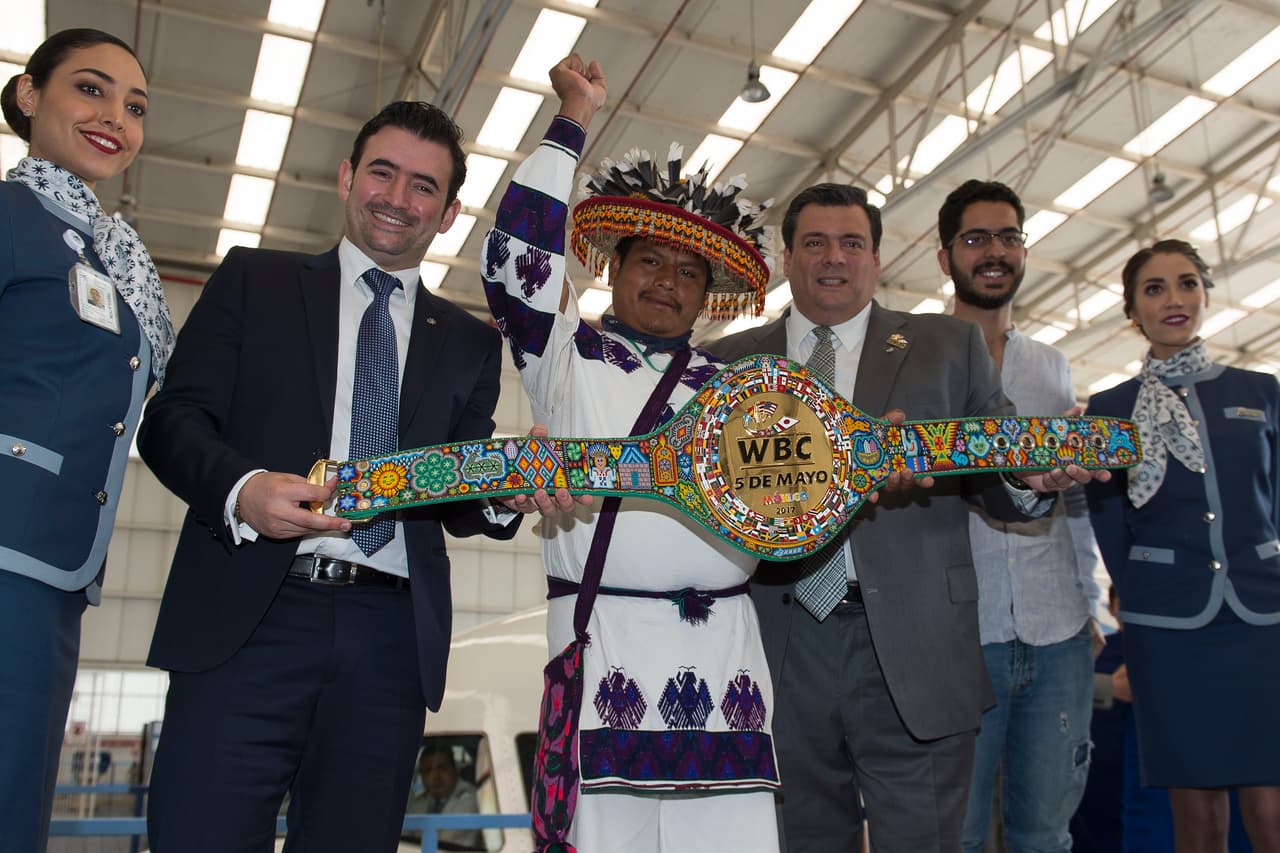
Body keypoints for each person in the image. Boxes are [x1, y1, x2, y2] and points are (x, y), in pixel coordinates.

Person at [137, 99, 519, 853]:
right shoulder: (255, 281)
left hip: (390, 641)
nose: (396, 197)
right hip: (251, 615)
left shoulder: (470, 343)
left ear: (448, 214)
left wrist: (505, 491)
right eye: (382, 172)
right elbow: (172, 420)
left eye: (423, 186)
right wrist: (243, 489)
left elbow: (457, 489)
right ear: (347, 177)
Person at [714, 182, 1105, 853]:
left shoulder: (948, 346)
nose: (834, 258)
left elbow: (996, 464)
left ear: (877, 259)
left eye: (852, 243)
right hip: (778, 645)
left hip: (917, 646)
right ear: (787, 257)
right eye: (815, 243)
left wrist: (1028, 475)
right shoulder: (727, 363)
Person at [482, 54, 781, 852]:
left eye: (689, 271)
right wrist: (572, 118)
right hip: (602, 649)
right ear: (612, 266)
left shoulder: (741, 392)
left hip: (727, 668)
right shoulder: (565, 356)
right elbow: (514, 262)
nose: (667, 282)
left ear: (707, 295)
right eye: (649, 259)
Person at [0, 28, 174, 852]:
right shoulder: (10, 216)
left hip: (57, 574)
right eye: (91, 89)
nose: (115, 118)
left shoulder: (118, 260)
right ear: (30, 95)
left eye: (134, 107)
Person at [1085, 239, 1280, 853]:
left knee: (1272, 812)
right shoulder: (1109, 409)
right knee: (1197, 821)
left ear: (1205, 295)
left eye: (1187, 283)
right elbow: (1109, 521)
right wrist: (1142, 596)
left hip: (1263, 617)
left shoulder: (1262, 390)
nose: (1174, 298)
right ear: (1131, 311)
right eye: (1155, 288)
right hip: (1168, 629)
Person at [937, 180, 1099, 853]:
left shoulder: (1051, 366)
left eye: (1008, 237)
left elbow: (1076, 501)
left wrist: (1089, 605)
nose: (994, 252)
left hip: (1058, 630)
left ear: (1025, 252)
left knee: (1046, 835)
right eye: (976, 238)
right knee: (957, 835)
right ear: (945, 257)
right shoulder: (921, 359)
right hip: (959, 635)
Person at [406, 745, 484, 851]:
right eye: (428, 770)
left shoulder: (472, 799)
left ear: (455, 769)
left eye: (442, 768)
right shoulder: (418, 803)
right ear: (422, 776)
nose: (435, 777)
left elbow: (445, 843)